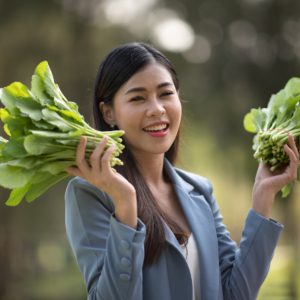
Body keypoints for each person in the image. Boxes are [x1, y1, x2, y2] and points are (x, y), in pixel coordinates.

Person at [64, 42, 299, 300]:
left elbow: (235, 294)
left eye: (165, 93)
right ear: (108, 112)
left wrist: (262, 198)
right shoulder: (89, 193)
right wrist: (125, 206)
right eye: (138, 98)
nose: (157, 109)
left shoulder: (200, 190)